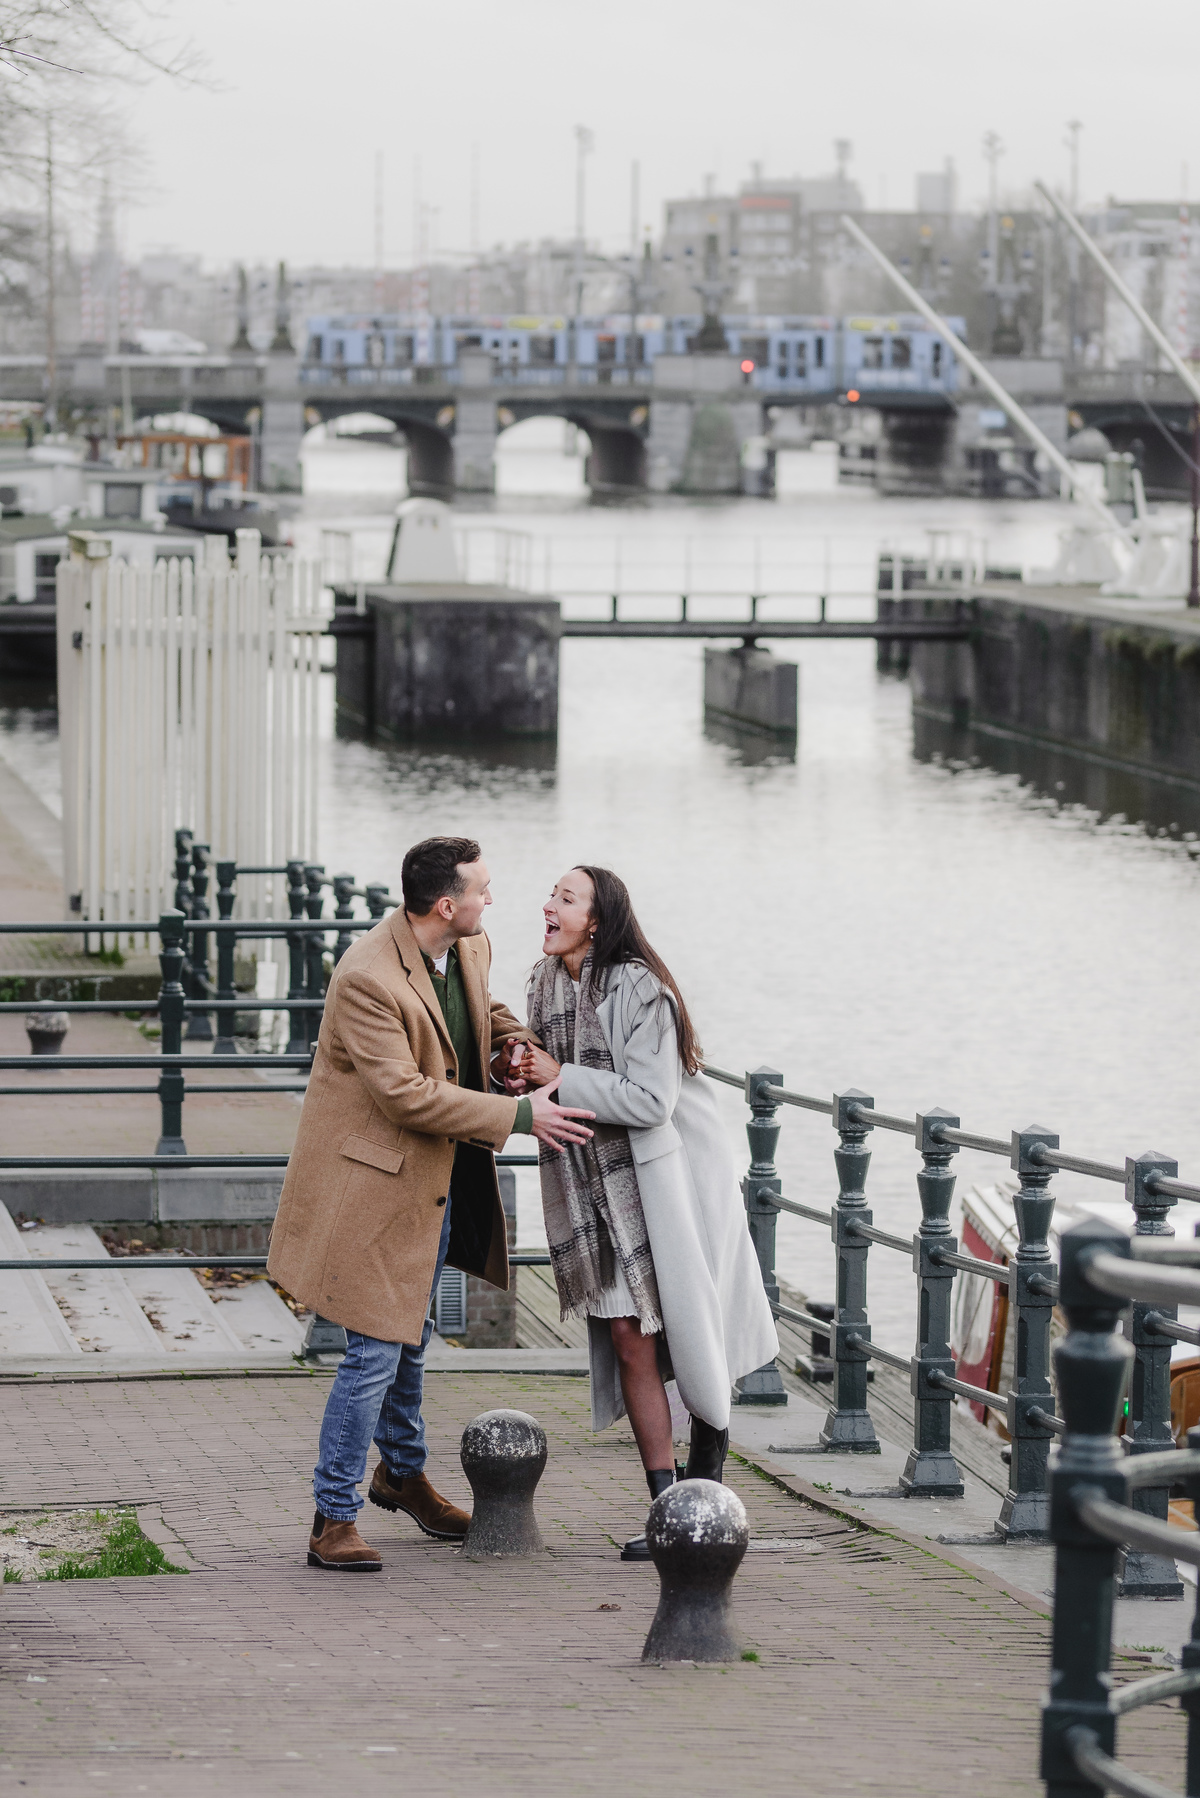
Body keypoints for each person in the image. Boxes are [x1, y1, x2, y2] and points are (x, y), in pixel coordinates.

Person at [267, 836, 594, 1571]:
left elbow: (484, 1011)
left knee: (410, 1337)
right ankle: (333, 1520)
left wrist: (517, 1046)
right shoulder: (366, 979)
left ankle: (403, 1475)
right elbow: (405, 1096)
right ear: (446, 905)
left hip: (434, 1186)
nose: (493, 900)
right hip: (372, 1191)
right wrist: (520, 1117)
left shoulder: (466, 948)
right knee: (372, 1354)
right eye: (483, 888)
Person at [509, 865, 777, 1560]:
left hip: (673, 1179)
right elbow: (546, 1073)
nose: (548, 904)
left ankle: (706, 1489)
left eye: (565, 898)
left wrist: (558, 1075)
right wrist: (520, 1071)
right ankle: (666, 1510)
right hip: (595, 1180)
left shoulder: (639, 989)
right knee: (628, 1334)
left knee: (695, 1329)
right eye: (551, 894)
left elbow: (653, 1104)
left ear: (597, 921)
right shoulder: (543, 985)